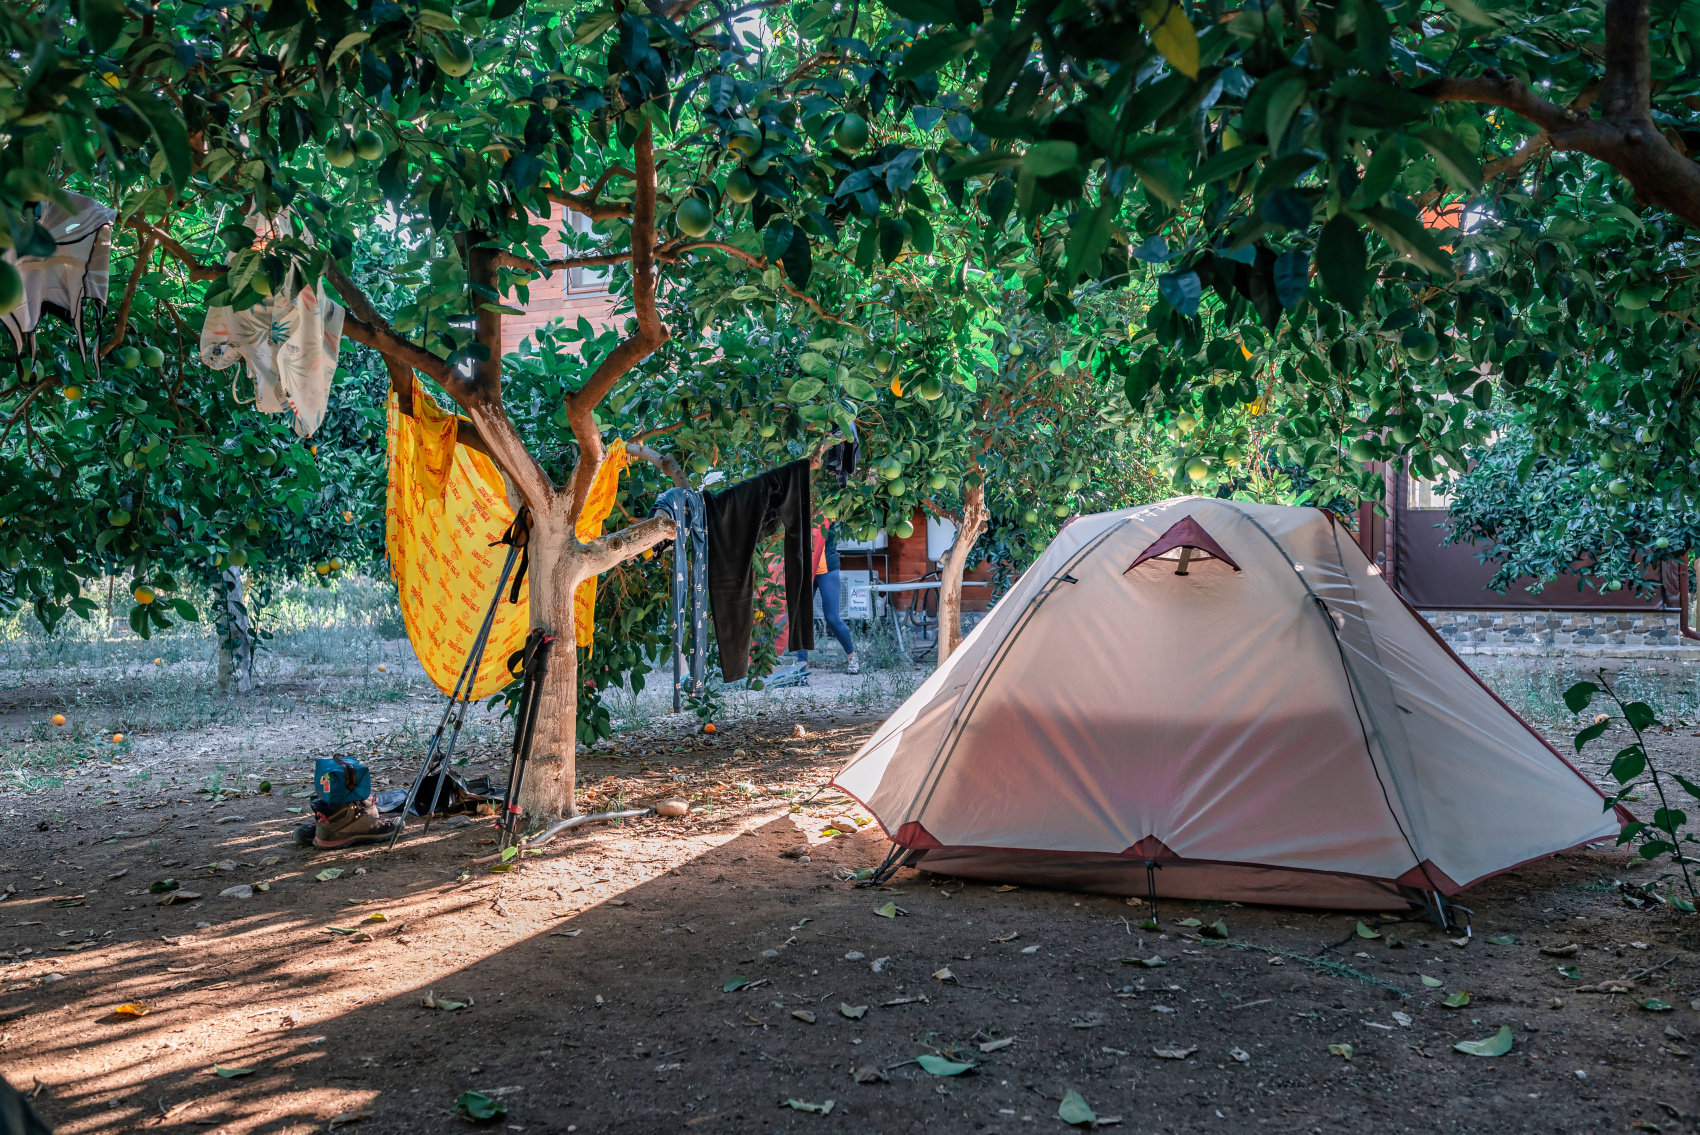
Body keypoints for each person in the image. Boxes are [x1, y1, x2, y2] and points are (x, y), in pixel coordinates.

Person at [795, 518, 858, 674]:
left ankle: (852, 656)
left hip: (827, 568)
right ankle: (801, 665)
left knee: (832, 617)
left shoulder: (827, 506)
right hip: (805, 568)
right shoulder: (797, 508)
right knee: (802, 616)